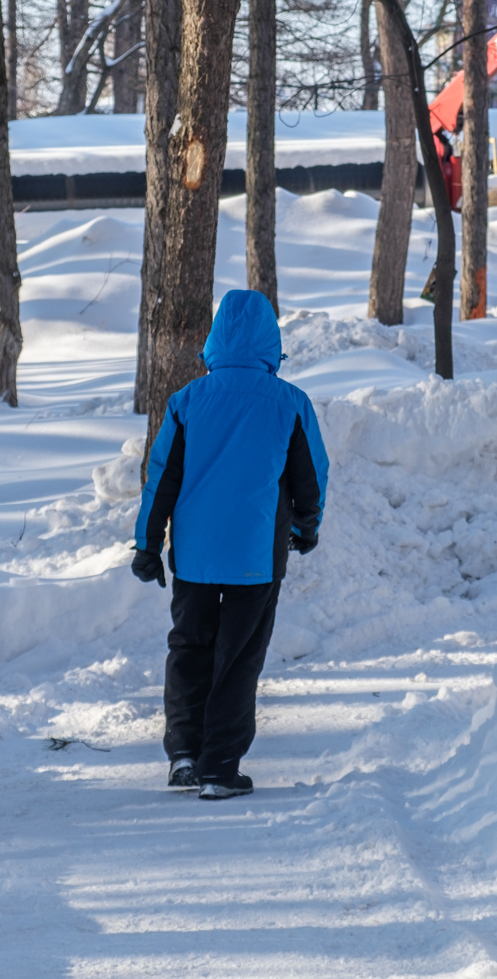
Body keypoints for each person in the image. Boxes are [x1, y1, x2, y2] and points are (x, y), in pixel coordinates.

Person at [132, 289, 328, 800]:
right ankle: (220, 767)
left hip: (194, 555)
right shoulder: (290, 403)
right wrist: (306, 529)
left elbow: (162, 479)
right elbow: (311, 480)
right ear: (271, 341)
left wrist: (148, 545)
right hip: (256, 558)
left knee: (190, 648)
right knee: (238, 658)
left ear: (216, 339)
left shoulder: (187, 402)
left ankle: (184, 756)